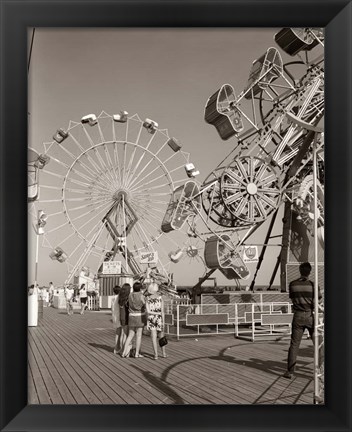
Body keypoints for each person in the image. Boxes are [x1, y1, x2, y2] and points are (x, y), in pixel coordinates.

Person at [283, 262, 322, 379]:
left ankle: (290, 372)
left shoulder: (292, 284)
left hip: (298, 316)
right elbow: (318, 302)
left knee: (294, 344)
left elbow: (293, 298)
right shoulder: (314, 285)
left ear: (300, 270)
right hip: (310, 316)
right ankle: (319, 370)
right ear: (309, 272)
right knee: (318, 344)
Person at [121, 282, 146, 358]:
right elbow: (145, 304)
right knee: (138, 336)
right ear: (140, 288)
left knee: (130, 336)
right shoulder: (141, 296)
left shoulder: (130, 295)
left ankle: (124, 352)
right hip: (139, 316)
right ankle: (137, 353)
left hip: (131, 316)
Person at [145, 283, 167, 360]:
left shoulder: (147, 298)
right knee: (161, 336)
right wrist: (163, 321)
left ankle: (156, 355)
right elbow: (162, 311)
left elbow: (148, 311)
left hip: (151, 319)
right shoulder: (160, 298)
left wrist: (154, 313)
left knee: (153, 337)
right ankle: (164, 353)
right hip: (159, 319)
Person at [118, 283, 132, 355]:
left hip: (121, 317)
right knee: (125, 334)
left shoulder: (120, 297)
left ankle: (121, 348)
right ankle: (124, 350)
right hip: (126, 317)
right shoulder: (128, 298)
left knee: (122, 334)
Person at [111, 285, 121, 354]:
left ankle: (117, 346)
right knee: (119, 332)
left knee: (117, 332)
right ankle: (117, 347)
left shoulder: (113, 298)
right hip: (119, 316)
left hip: (114, 316)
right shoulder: (119, 298)